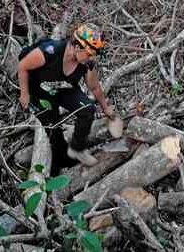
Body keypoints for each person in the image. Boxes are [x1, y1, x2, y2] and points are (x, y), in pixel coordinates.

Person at [17, 23, 115, 169]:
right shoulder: (50, 51)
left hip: (63, 88)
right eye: (88, 54)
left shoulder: (87, 64)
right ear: (76, 46)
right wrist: (24, 94)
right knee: (54, 130)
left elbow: (94, 87)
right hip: (39, 93)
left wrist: (106, 108)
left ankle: (77, 148)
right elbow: (23, 66)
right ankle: (60, 164)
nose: (90, 58)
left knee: (88, 110)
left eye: (92, 55)